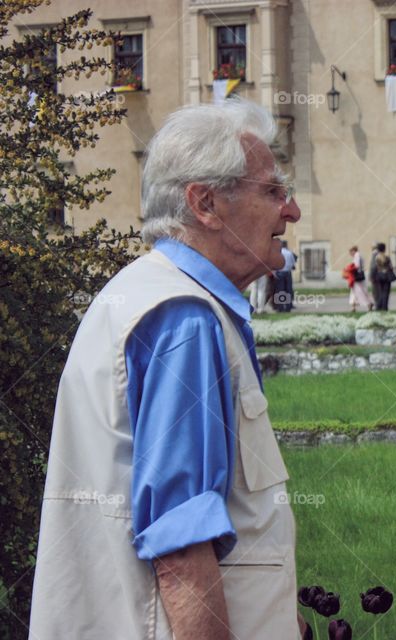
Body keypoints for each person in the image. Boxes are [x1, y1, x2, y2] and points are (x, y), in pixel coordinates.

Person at [30, 99, 306, 638]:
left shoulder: (147, 291)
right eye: (273, 191)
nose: (291, 211)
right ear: (205, 204)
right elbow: (182, 543)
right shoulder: (183, 317)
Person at [345, 245, 373, 312]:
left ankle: (369, 304)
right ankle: (354, 307)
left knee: (360, 291)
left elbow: (356, 266)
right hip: (358, 277)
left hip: (357, 277)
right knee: (355, 291)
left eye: (351, 252)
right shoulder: (359, 256)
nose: (350, 254)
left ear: (354, 251)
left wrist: (348, 268)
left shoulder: (357, 256)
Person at [273, 239, 297, 311]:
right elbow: (293, 264)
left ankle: (280, 307)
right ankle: (288, 306)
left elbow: (274, 264)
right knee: (288, 290)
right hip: (287, 273)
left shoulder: (277, 253)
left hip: (279, 273)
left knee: (280, 290)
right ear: (286, 245)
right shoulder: (289, 253)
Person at [372, 241, 395, 311]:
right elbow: (391, 267)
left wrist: (373, 276)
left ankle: (379, 306)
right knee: (386, 292)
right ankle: (384, 306)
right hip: (387, 276)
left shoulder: (376, 258)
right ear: (384, 249)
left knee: (380, 292)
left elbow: (374, 267)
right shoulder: (387, 257)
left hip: (379, 276)